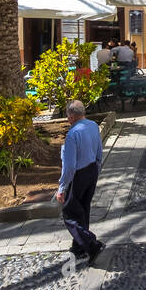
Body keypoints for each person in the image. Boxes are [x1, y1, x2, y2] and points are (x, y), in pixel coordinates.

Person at [55, 100, 104, 263]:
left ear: (71, 116)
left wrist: (62, 188)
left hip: (78, 175)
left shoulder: (72, 135)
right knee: (83, 208)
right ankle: (79, 247)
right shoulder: (93, 125)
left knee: (69, 213)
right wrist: (97, 167)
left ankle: (91, 244)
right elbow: (99, 149)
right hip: (91, 170)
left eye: (67, 115)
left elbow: (69, 166)